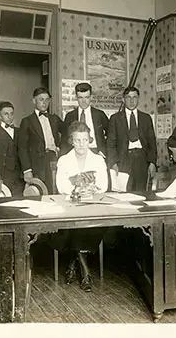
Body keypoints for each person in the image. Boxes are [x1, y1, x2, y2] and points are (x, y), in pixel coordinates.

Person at [54, 121, 108, 291]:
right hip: (71, 206)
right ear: (71, 141)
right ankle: (86, 273)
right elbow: (61, 185)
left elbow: (104, 185)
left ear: (89, 140)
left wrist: (91, 190)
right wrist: (77, 191)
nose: (81, 145)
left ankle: (73, 263)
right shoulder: (64, 160)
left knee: (91, 225)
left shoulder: (98, 160)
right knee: (75, 226)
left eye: (85, 140)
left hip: (92, 206)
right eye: (77, 140)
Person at [107, 86, 157, 192]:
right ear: (123, 99)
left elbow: (152, 143)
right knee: (124, 192)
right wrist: (113, 163)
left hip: (142, 160)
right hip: (123, 160)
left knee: (141, 193)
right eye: (128, 97)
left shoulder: (146, 118)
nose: (132, 100)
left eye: (134, 97)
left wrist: (152, 162)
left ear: (138, 98)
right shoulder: (115, 119)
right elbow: (111, 143)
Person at [18, 87, 64, 194]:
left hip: (54, 160)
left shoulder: (54, 119)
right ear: (34, 101)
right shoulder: (27, 121)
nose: (44, 102)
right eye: (41, 99)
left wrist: (61, 148)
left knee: (55, 192)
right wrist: (27, 170)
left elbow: (68, 132)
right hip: (37, 165)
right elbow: (22, 148)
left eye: (47, 100)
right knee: (39, 194)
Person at [0, 101, 24, 197]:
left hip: (19, 178)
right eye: (6, 114)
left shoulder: (20, 132)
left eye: (11, 113)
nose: (9, 116)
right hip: (3, 177)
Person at [61, 82, 109, 158]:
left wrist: (103, 151)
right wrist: (64, 157)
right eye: (80, 97)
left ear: (91, 97)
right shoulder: (70, 116)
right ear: (76, 97)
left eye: (86, 97)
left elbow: (111, 135)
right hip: (75, 154)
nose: (84, 101)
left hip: (96, 153)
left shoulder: (99, 114)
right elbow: (64, 140)